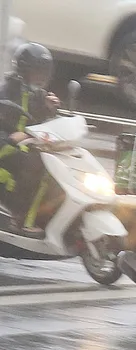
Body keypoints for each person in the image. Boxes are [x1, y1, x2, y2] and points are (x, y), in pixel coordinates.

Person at [0, 42, 60, 232]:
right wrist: (12, 137)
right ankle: (23, 220)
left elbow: (44, 126)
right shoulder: (7, 91)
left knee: (56, 166)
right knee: (36, 164)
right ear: (24, 71)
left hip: (28, 146)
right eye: (37, 72)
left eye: (44, 73)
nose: (41, 78)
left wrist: (50, 110)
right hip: (5, 145)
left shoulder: (39, 96)